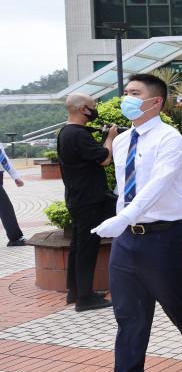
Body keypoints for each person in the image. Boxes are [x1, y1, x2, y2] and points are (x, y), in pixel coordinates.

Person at [82, 74, 182, 372]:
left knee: (175, 299)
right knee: (129, 315)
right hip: (127, 239)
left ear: (155, 102)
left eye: (134, 93)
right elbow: (126, 188)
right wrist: (120, 219)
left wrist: (124, 216)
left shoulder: (169, 138)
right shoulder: (122, 140)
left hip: (164, 236)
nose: (126, 97)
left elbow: (158, 184)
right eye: (125, 92)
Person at [56, 94, 117, 309]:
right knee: (87, 248)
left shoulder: (66, 132)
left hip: (77, 198)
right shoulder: (78, 134)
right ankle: (85, 299)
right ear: (83, 109)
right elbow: (105, 159)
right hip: (89, 200)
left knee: (78, 246)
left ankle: (75, 291)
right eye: (93, 106)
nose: (96, 109)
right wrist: (110, 137)